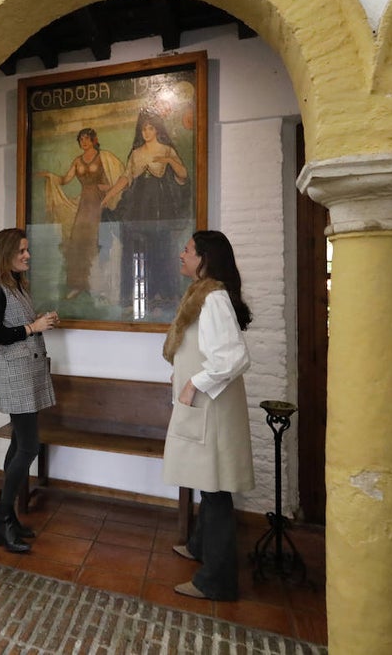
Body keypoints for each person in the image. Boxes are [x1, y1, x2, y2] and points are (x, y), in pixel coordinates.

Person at [161, 230, 254, 600]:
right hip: (207, 407)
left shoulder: (212, 298)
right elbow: (204, 348)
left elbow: (233, 358)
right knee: (208, 480)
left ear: (204, 258)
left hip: (210, 408)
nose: (181, 255)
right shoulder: (206, 294)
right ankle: (200, 547)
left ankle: (217, 580)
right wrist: (181, 371)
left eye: (187, 250)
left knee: (214, 490)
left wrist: (191, 383)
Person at [0, 228, 59, 553]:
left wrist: (38, 320)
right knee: (29, 448)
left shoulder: (18, 284)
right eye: (22, 251)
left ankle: (8, 519)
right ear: (7, 252)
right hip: (16, 375)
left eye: (27, 250)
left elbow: (18, 326)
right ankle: (0, 518)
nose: (28, 255)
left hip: (30, 373)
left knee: (18, 446)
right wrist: (33, 327)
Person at [102, 110, 190, 312]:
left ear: (157, 129)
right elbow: (126, 177)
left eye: (150, 128)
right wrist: (109, 195)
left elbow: (183, 175)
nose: (147, 132)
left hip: (160, 206)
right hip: (139, 207)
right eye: (144, 128)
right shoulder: (136, 153)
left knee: (161, 248)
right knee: (138, 249)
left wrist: (169, 161)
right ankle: (139, 298)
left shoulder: (167, 150)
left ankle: (163, 296)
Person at [37, 128, 125, 300]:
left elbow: (121, 180)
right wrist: (50, 175)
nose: (84, 142)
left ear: (94, 139)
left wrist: (104, 188)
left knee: (99, 242)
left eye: (87, 138)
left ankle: (100, 286)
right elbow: (64, 180)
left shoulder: (105, 157)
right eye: (81, 139)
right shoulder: (77, 161)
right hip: (84, 204)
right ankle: (79, 285)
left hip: (101, 203)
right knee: (79, 242)